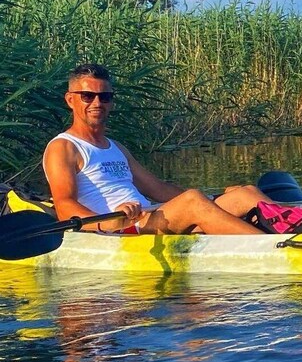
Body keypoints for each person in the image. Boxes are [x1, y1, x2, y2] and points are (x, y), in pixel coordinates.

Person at [43, 63, 271, 235]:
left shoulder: (116, 147)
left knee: (245, 193)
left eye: (105, 97)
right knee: (192, 200)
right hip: (123, 229)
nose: (97, 103)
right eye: (87, 96)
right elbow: (64, 207)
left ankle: (298, 230)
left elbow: (158, 189)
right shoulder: (63, 147)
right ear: (70, 100)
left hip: (149, 216)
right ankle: (274, 249)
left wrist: (215, 196)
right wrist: (108, 222)